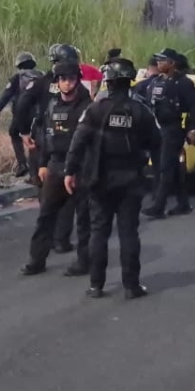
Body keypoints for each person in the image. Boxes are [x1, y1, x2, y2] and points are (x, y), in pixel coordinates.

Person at [64, 58, 161, 299]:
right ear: (129, 82)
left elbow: (78, 141)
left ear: (108, 82)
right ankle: (131, 286)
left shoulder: (95, 110)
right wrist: (155, 175)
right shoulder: (141, 111)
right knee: (129, 233)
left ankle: (96, 285)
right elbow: (157, 145)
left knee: (99, 232)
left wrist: (69, 170)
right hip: (131, 181)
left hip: (99, 180)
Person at [20, 59, 93, 276]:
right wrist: (42, 163)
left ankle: (84, 261)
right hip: (55, 166)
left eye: (71, 79)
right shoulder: (51, 106)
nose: (67, 84)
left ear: (77, 81)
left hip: (81, 169)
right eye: (63, 79)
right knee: (46, 216)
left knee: (84, 218)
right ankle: (36, 260)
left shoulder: (88, 108)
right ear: (57, 82)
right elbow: (46, 137)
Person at [143, 48, 195, 218]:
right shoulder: (155, 82)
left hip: (173, 128)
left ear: (172, 63)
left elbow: (193, 108)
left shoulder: (183, 83)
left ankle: (158, 206)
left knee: (165, 167)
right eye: (158, 60)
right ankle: (183, 204)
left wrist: (192, 128)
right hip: (157, 127)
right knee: (174, 168)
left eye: (163, 60)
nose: (159, 63)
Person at [0, 51, 44, 177]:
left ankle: (22, 164)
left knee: (13, 133)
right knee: (35, 139)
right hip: (38, 114)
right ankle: (36, 169)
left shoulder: (17, 77)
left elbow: (7, 94)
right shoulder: (41, 75)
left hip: (21, 114)